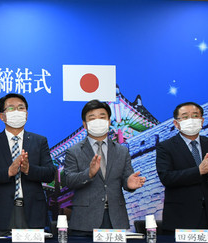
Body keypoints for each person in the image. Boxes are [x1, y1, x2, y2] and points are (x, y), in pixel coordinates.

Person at [60, 100, 145, 234]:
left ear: (109, 121)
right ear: (85, 124)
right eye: (92, 118)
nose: (98, 121)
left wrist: (129, 184)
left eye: (102, 117)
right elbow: (69, 181)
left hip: (115, 218)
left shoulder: (122, 151)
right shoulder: (74, 151)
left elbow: (126, 179)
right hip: (85, 220)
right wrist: (89, 173)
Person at [0, 93, 56, 235]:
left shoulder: (39, 141)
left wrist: (28, 169)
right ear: (2, 116)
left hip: (33, 212)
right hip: (0, 214)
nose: (17, 112)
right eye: (11, 108)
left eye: (21, 108)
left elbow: (50, 173)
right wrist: (8, 172)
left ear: (26, 114)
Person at [156, 101, 208, 234]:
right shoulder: (166, 147)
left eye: (195, 116)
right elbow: (167, 178)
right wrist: (199, 170)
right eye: (185, 117)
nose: (191, 120)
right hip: (182, 218)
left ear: (202, 120)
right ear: (176, 123)